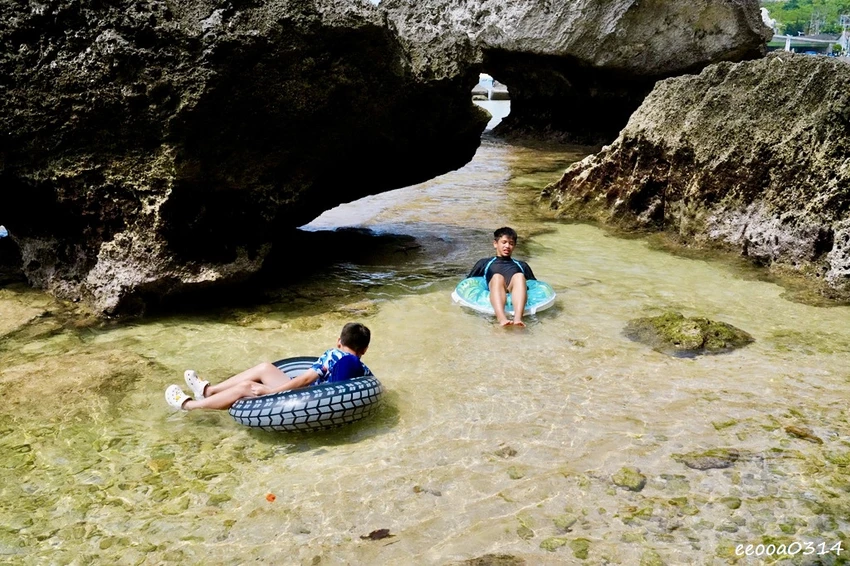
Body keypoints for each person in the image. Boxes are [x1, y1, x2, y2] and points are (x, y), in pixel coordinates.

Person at [165, 322, 372, 411]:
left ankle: (188, 406)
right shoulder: (362, 369)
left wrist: (271, 392)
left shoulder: (334, 354)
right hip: (318, 396)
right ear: (365, 349)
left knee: (248, 386)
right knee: (265, 367)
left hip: (308, 397)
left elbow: (306, 379)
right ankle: (208, 390)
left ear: (339, 341)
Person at [466, 227, 536, 327]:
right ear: (495, 244)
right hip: (496, 286)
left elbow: (534, 284)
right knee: (497, 277)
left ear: (514, 246)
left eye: (511, 243)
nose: (507, 246)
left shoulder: (521, 265)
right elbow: (469, 283)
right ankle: (502, 318)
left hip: (513, 287)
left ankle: (518, 319)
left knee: (519, 276)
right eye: (504, 242)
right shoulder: (484, 263)